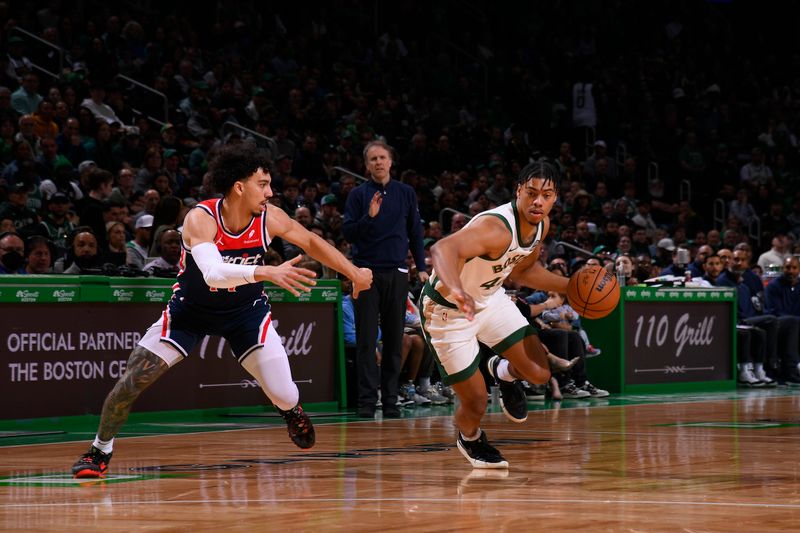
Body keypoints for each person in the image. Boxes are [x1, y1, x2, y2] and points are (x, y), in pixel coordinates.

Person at [71, 144, 372, 479]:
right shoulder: (201, 218)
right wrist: (266, 272)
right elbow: (213, 273)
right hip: (191, 310)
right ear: (239, 187)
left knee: (286, 394)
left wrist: (354, 272)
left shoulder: (270, 218)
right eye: (263, 184)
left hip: (246, 312)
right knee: (130, 382)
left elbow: (312, 243)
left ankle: (291, 411)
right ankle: (99, 451)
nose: (270, 192)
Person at [420, 161, 578, 469]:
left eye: (546, 195)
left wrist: (571, 286)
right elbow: (441, 250)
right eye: (531, 193)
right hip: (447, 310)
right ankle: (470, 437)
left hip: (490, 300)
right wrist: (458, 289)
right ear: (518, 191)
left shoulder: (541, 225)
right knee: (476, 401)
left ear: (555, 197)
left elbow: (524, 271)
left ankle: (502, 372)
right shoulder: (496, 229)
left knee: (540, 373)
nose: (537, 201)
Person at [343, 140, 428, 419]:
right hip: (365, 273)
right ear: (366, 166)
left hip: (398, 272)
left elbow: (415, 231)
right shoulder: (358, 195)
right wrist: (369, 217)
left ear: (391, 161)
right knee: (367, 341)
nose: (378, 162)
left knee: (395, 339)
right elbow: (349, 233)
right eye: (373, 159)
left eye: (382, 157)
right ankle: (367, 402)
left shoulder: (405, 193)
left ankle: (390, 401)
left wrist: (421, 264)